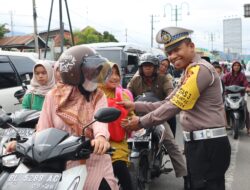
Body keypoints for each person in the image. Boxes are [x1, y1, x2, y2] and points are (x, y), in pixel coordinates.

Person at [120, 26, 231, 190]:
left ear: (191, 46)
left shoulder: (200, 70)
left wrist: (141, 122)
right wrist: (134, 104)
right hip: (198, 144)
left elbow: (175, 105)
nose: (172, 56)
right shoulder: (189, 72)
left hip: (208, 145)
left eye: (177, 49)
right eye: (169, 53)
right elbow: (166, 102)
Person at [6, 45, 119, 190]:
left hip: (92, 157)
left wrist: (101, 138)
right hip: (58, 163)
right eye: (90, 70)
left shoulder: (98, 96)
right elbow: (42, 130)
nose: (94, 73)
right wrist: (25, 145)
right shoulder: (52, 96)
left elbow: (100, 123)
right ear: (75, 72)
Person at [127, 52, 187, 178]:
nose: (147, 68)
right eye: (145, 66)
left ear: (155, 67)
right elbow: (126, 94)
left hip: (158, 117)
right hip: (137, 117)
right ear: (141, 68)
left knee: (171, 143)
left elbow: (171, 94)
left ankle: (185, 175)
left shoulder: (164, 79)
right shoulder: (135, 80)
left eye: (150, 65)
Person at [98, 62, 133, 190]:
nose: (115, 77)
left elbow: (131, 115)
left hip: (117, 144)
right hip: (97, 144)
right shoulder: (94, 94)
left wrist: (130, 122)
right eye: (110, 73)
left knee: (120, 168)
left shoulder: (122, 95)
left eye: (117, 73)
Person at [223, 60, 250, 134]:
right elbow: (222, 82)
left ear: (240, 67)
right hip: (228, 96)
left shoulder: (242, 76)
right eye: (235, 65)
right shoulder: (227, 75)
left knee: (246, 110)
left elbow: (246, 83)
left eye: (238, 65)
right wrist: (222, 88)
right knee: (223, 108)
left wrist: (247, 88)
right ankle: (223, 125)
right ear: (232, 67)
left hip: (240, 96)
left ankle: (248, 127)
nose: (236, 67)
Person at [157, 54, 177, 136]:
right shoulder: (141, 76)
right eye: (162, 64)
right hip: (146, 110)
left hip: (164, 108)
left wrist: (169, 98)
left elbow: (170, 91)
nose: (164, 68)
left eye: (166, 66)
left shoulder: (167, 79)